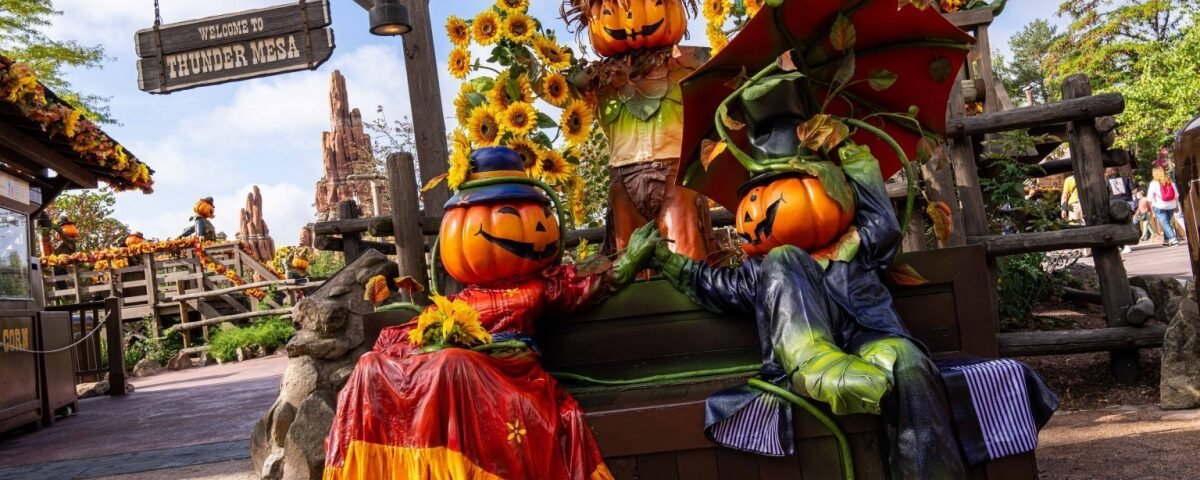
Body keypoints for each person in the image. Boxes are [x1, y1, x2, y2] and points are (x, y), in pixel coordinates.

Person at [1147, 166, 1181, 246]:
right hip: (1171, 206)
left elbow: (1149, 198)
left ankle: (1173, 239)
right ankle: (1166, 240)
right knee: (1166, 223)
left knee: (1165, 223)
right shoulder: (1170, 182)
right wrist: (1176, 205)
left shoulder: (1153, 183)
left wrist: (1151, 208)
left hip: (1159, 207)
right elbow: (1176, 195)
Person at [1105, 168, 1135, 253]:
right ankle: (1127, 244)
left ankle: (1122, 244)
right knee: (1128, 224)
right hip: (1128, 202)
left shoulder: (1107, 182)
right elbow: (1133, 190)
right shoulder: (1126, 179)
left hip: (1114, 205)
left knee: (1116, 225)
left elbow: (1105, 194)